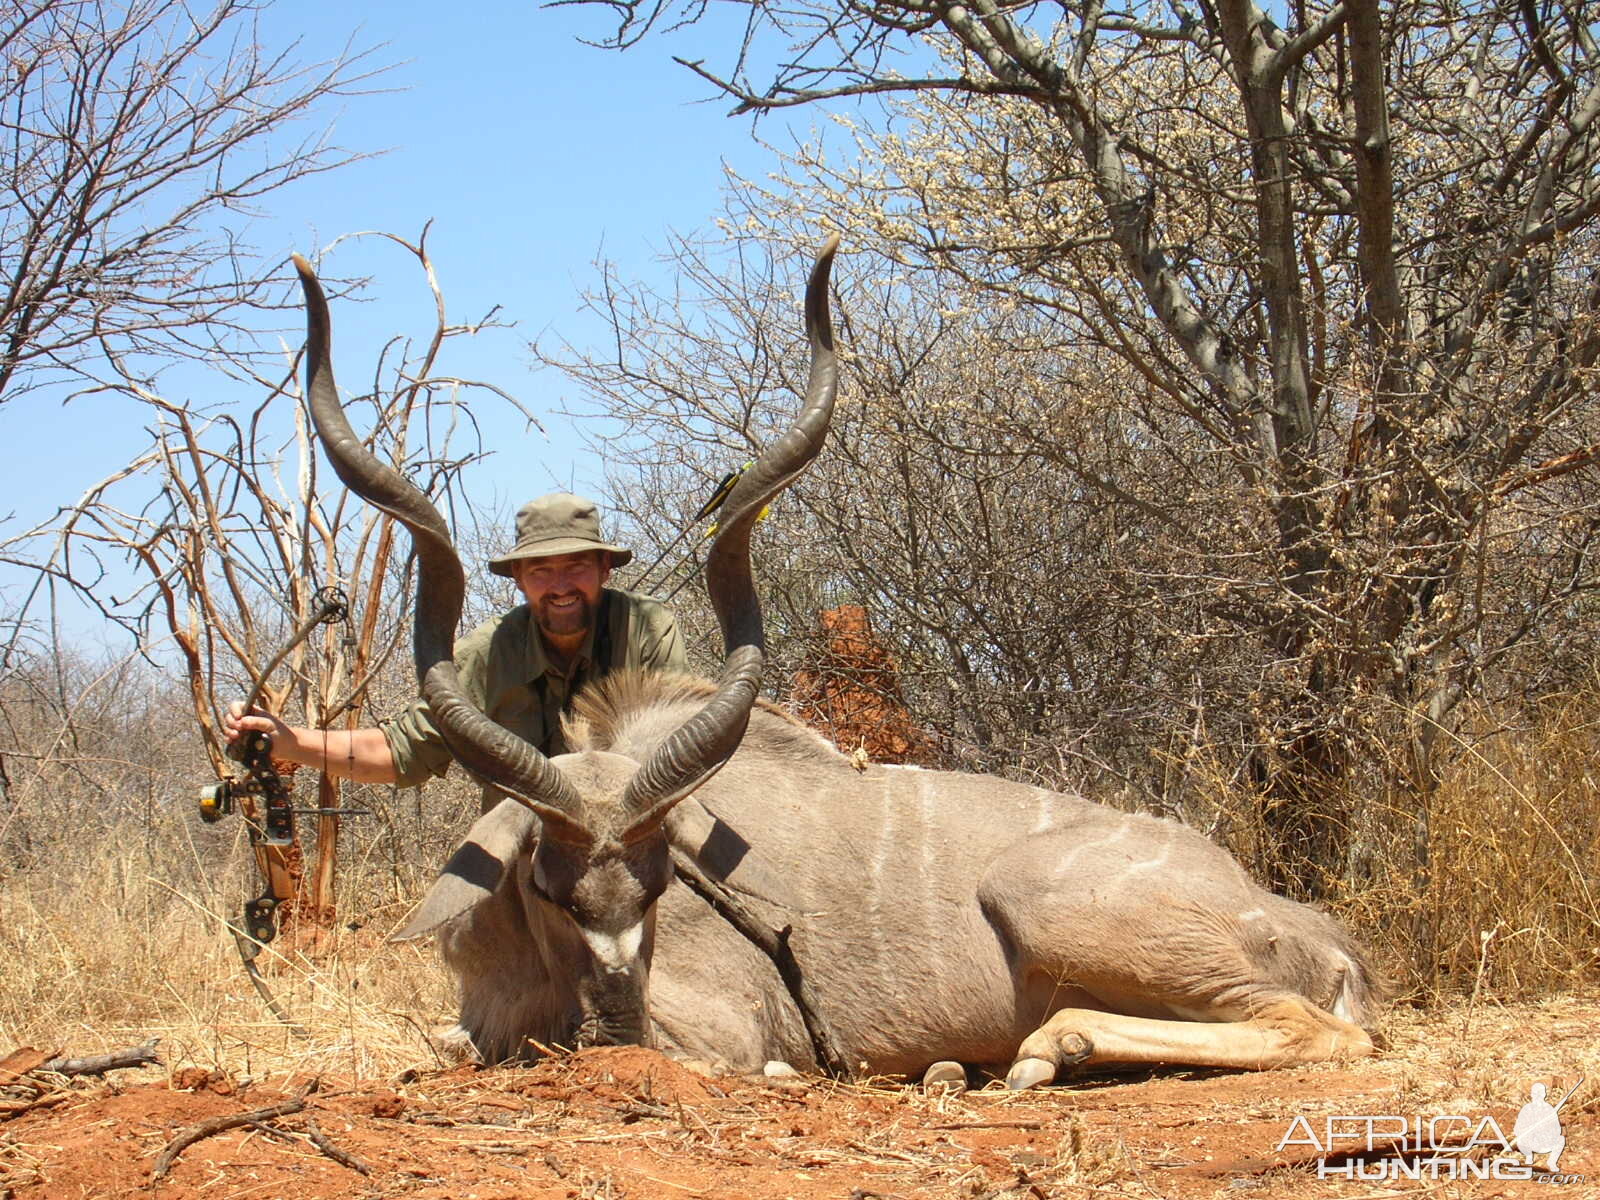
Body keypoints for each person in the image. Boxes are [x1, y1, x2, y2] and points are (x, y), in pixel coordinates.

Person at [225, 493, 686, 808]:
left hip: (630, 837)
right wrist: (292, 742)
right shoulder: (484, 654)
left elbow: (674, 754)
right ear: (518, 578)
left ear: (605, 568)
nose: (560, 586)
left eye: (576, 566)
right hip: (528, 847)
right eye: (541, 571)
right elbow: (400, 752)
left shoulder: (646, 629)